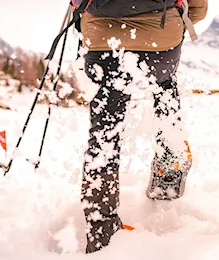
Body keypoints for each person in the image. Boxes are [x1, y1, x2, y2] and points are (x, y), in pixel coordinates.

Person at [76, 0, 208, 253]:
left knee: (104, 133)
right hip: (162, 39)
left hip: (103, 40)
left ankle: (101, 229)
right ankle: (166, 181)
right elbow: (198, 9)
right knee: (165, 91)